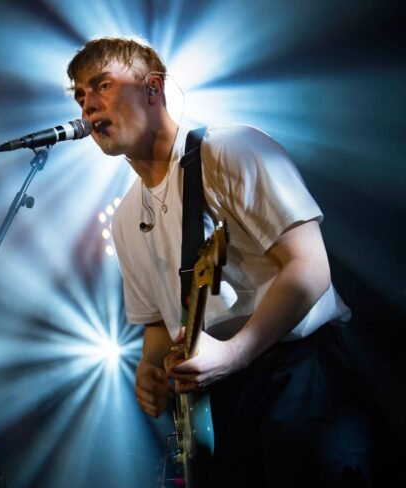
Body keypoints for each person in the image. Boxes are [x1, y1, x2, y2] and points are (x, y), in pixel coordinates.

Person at [67, 37, 371, 487]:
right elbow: (159, 322)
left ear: (153, 88)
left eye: (103, 85)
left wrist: (234, 352)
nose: (88, 104)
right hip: (218, 399)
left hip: (295, 376)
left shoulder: (231, 148)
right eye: (79, 95)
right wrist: (150, 370)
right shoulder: (126, 218)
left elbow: (310, 267)